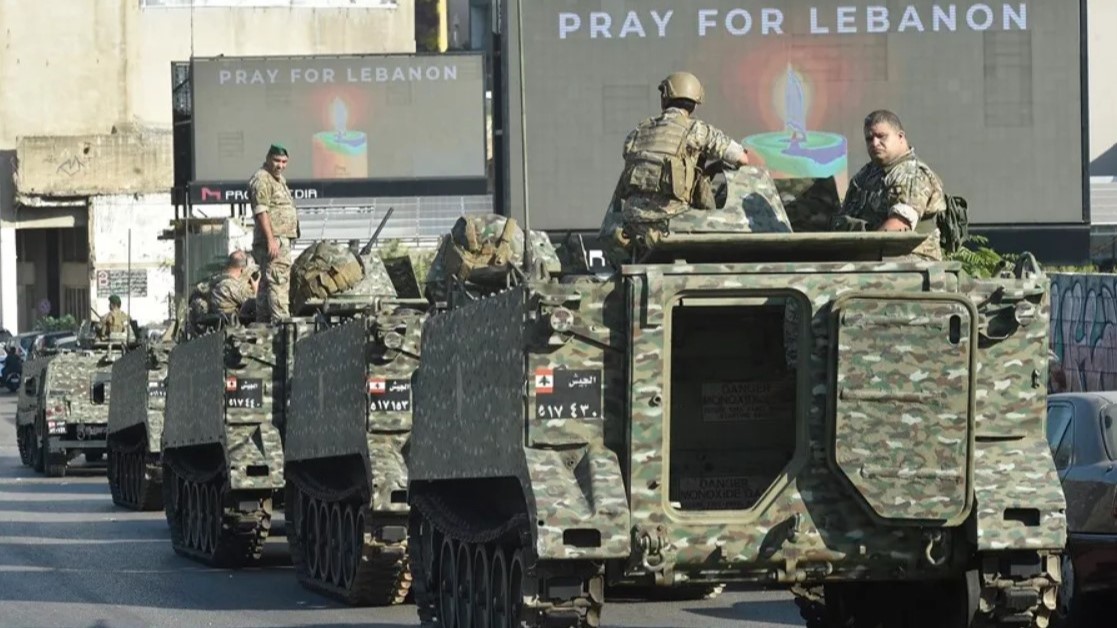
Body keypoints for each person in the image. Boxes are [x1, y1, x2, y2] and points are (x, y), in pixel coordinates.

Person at [612, 71, 751, 226]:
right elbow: (742, 158)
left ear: (664, 98)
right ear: (694, 105)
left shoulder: (637, 132)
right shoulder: (697, 130)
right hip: (671, 217)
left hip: (633, 217)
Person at [832, 109, 947, 261]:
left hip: (908, 262)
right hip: (870, 257)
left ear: (900, 137)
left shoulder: (912, 174)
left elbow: (898, 228)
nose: (874, 143)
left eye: (881, 136)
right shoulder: (865, 175)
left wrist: (858, 255)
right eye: (869, 139)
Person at [248, 143, 301, 323]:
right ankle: (283, 329)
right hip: (273, 242)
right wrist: (271, 240)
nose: (280, 165)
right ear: (268, 158)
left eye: (284, 161)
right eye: (277, 161)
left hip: (279, 240)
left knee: (266, 285)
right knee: (278, 282)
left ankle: (263, 326)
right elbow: (261, 211)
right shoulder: (262, 179)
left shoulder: (279, 179)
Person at [209, 250, 259, 321]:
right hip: (230, 325)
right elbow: (256, 303)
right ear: (242, 270)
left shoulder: (218, 278)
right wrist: (256, 289)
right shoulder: (232, 286)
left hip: (219, 322)